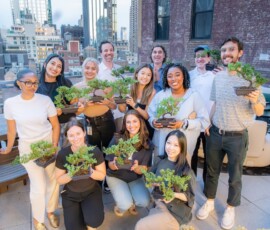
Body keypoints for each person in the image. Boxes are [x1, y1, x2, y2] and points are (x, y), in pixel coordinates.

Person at [196, 37, 266, 230]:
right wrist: (209, 122)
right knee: (211, 170)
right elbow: (215, 103)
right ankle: (210, 200)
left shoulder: (251, 78)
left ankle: (230, 207)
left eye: (231, 50)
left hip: (237, 136)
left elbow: (259, 111)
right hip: (216, 132)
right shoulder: (217, 77)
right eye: (224, 50)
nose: (227, 53)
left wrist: (253, 100)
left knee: (235, 175)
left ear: (240, 53)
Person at [0, 69, 60, 230]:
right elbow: (12, 131)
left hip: (47, 144)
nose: (32, 86)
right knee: (38, 186)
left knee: (53, 180)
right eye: (28, 82)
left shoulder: (45, 100)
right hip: (28, 148)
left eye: (35, 82)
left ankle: (50, 211)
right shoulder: (10, 103)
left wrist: (54, 146)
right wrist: (8, 149)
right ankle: (37, 220)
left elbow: (55, 125)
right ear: (19, 83)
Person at [148, 63, 210, 164]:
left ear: (184, 76)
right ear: (166, 79)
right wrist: (153, 122)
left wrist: (184, 123)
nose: (173, 79)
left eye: (177, 75)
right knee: (161, 173)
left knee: (181, 176)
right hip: (162, 143)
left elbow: (204, 121)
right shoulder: (161, 95)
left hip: (184, 145)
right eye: (170, 76)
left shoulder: (193, 95)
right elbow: (151, 114)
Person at [135, 130, 196, 230]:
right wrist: (152, 182)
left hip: (175, 212)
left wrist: (174, 194)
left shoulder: (186, 171)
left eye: (176, 145)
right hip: (159, 203)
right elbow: (149, 178)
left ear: (182, 148)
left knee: (141, 226)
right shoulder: (159, 160)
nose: (171, 147)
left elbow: (190, 198)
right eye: (168, 143)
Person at [55, 118, 106, 230]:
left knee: (94, 222)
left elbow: (102, 175)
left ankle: (89, 215)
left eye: (78, 133)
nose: (75, 138)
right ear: (67, 137)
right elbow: (59, 180)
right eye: (71, 135)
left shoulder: (94, 151)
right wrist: (71, 173)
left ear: (84, 133)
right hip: (71, 195)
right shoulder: (63, 154)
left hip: (91, 191)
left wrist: (90, 171)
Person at [106, 110, 152, 217]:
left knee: (144, 201)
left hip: (135, 177)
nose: (131, 125)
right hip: (116, 176)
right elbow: (110, 165)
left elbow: (145, 168)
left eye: (135, 121)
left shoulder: (147, 143)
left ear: (140, 122)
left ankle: (131, 202)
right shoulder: (118, 138)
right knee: (124, 204)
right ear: (124, 124)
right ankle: (121, 207)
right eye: (128, 122)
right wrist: (114, 163)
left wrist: (137, 168)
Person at [36, 53, 83, 147]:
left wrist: (78, 103)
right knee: (54, 156)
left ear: (61, 71)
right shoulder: (37, 86)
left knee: (70, 155)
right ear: (45, 64)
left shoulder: (66, 83)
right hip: (49, 128)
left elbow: (73, 103)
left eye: (59, 66)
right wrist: (52, 113)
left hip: (68, 125)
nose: (55, 68)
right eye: (52, 64)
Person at [75, 57, 116, 149]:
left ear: (97, 70)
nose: (90, 71)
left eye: (93, 68)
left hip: (107, 120)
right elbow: (76, 112)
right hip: (89, 123)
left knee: (110, 150)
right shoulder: (77, 88)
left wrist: (107, 102)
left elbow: (114, 106)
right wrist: (85, 105)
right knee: (93, 152)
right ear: (83, 69)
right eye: (87, 68)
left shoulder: (105, 85)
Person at [189, 45, 215, 181]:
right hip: (193, 121)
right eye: (197, 56)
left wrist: (209, 121)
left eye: (203, 56)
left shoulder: (214, 76)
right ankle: (191, 181)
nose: (200, 59)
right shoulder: (189, 75)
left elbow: (215, 100)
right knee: (191, 153)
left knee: (209, 155)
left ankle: (207, 184)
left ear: (208, 58)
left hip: (209, 123)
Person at [119, 64, 156, 139]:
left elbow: (147, 116)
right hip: (131, 127)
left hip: (144, 129)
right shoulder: (128, 88)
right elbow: (122, 109)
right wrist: (122, 99)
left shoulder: (152, 92)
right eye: (142, 73)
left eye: (149, 75)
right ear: (136, 74)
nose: (145, 77)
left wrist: (134, 105)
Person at [97, 40, 123, 133]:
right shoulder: (97, 70)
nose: (109, 53)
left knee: (120, 140)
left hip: (120, 113)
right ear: (101, 53)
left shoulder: (119, 69)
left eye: (111, 50)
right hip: (104, 115)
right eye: (106, 50)